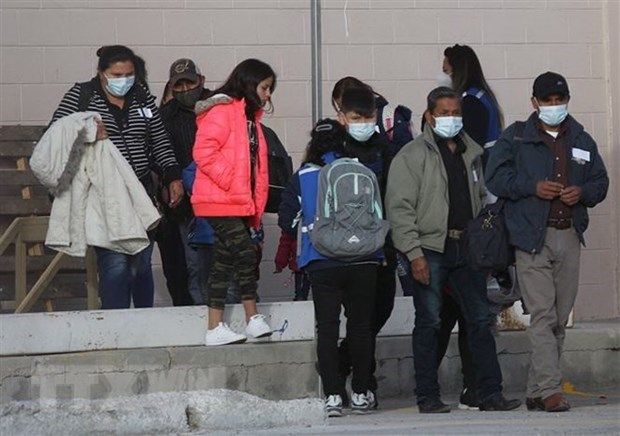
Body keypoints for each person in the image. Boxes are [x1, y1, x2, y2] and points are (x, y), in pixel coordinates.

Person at [386, 87, 521, 413]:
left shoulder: (470, 152)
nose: (451, 118)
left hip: (466, 248)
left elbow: (481, 198)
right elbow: (400, 209)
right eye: (444, 113)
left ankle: (489, 393)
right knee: (430, 322)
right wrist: (414, 253)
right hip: (430, 248)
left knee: (479, 320)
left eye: (455, 112)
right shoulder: (411, 156)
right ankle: (427, 396)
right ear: (429, 116)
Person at [486, 72, 609, 412]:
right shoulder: (517, 137)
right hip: (531, 237)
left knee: (559, 316)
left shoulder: (581, 139)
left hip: (568, 234)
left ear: (567, 100)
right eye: (548, 100)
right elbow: (495, 178)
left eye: (559, 100)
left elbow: (600, 183)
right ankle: (552, 390)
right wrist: (532, 187)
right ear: (534, 102)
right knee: (543, 314)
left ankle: (536, 390)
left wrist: (582, 192)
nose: (554, 106)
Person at [50, 45, 183, 310]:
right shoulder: (82, 95)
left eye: (129, 74)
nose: (124, 80)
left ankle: (143, 320)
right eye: (117, 75)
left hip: (141, 193)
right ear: (102, 73)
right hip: (103, 195)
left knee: (141, 265)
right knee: (116, 265)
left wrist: (172, 176)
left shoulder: (142, 98)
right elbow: (55, 134)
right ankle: (114, 322)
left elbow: (159, 140)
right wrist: (87, 132)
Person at [278, 118, 378, 416]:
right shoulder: (361, 170)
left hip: (321, 261)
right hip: (363, 258)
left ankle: (333, 395)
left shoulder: (303, 175)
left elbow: (287, 220)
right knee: (361, 328)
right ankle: (361, 392)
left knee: (327, 328)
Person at [192, 58, 275, 346]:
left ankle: (214, 327)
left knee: (223, 262)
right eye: (265, 87)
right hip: (220, 199)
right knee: (245, 253)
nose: (268, 95)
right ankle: (252, 317)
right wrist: (232, 181)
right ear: (250, 84)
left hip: (237, 200)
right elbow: (204, 151)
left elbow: (256, 167)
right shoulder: (223, 111)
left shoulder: (251, 119)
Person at [330, 80, 400, 408]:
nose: (363, 123)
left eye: (368, 117)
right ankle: (363, 381)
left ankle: (342, 361)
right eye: (356, 117)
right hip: (346, 247)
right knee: (359, 316)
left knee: (379, 310)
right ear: (343, 117)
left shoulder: (384, 148)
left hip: (381, 243)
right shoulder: (333, 148)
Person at [159, 58, 212, 306]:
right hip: (187, 207)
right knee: (195, 265)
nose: (184, 89)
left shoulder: (218, 106)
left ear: (200, 80)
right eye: (178, 85)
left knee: (230, 264)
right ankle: (204, 316)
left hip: (222, 201)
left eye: (189, 83)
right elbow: (159, 156)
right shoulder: (166, 116)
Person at [440, 44, 504, 164]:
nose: (442, 76)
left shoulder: (471, 102)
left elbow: (471, 144)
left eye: (445, 71)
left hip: (483, 166)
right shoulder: (480, 94)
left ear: (457, 71)